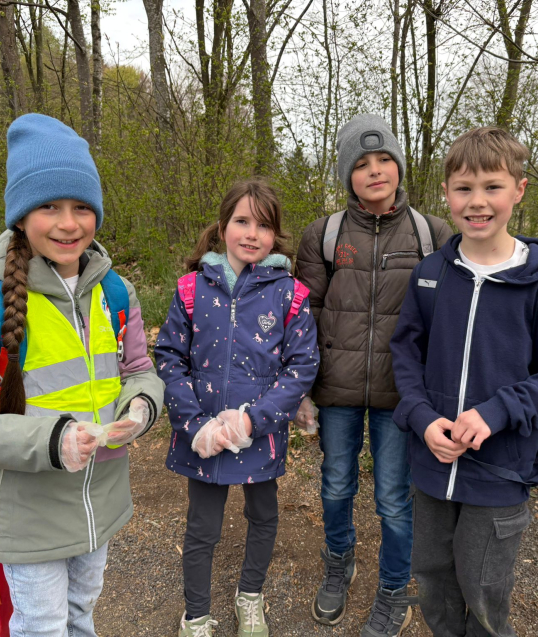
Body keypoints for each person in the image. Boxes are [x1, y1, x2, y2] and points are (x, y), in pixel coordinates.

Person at [0, 113, 165, 637]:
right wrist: (56, 441)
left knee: (81, 617)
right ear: (20, 214)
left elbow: (140, 371)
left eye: (82, 207)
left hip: (101, 503)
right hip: (27, 515)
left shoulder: (115, 292)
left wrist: (141, 407)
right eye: (49, 206)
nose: (69, 223)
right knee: (42, 626)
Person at [389, 127, 538, 637]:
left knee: (483, 586)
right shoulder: (431, 274)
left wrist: (496, 412)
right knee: (432, 575)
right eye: (464, 188)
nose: (477, 202)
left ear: (519, 190)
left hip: (501, 468)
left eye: (492, 187)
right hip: (433, 463)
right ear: (446, 194)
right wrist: (422, 418)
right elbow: (405, 353)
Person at [295, 113, 452, 637]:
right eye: (361, 164)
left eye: (385, 159)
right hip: (335, 389)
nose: (375, 170)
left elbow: (445, 323)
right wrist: (302, 391)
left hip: (401, 394)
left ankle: (394, 587)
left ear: (400, 166)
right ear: (347, 175)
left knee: (393, 498)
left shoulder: (433, 235)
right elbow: (305, 316)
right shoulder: (324, 235)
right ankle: (339, 561)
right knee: (336, 484)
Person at [155, 178, 318, 637]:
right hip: (203, 437)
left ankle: (250, 595)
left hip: (260, 434)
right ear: (222, 225)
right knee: (202, 528)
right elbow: (169, 357)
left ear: (275, 235)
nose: (251, 234)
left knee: (263, 517)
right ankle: (196, 615)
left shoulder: (290, 293)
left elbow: (301, 366)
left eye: (263, 225)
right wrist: (195, 425)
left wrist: (252, 420)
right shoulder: (192, 289)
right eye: (242, 221)